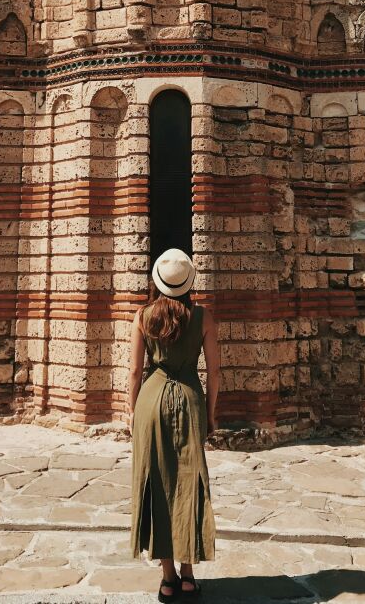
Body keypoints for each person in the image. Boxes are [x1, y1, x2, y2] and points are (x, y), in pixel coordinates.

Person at [129, 248, 219, 602]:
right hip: (190, 398)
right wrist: (210, 413)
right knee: (189, 483)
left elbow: (135, 371)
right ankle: (188, 576)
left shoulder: (143, 316)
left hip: (151, 402)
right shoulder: (203, 316)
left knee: (157, 482)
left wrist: (131, 411)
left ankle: (167, 578)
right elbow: (215, 372)